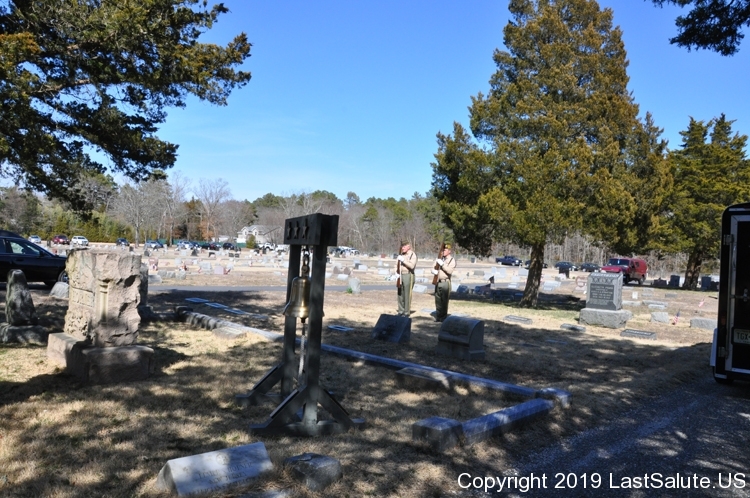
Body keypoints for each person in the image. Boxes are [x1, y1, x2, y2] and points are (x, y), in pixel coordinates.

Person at [431, 243, 456, 322]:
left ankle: (443, 317)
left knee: (444, 301)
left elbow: (450, 271)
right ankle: (438, 316)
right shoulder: (440, 258)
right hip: (438, 281)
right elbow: (433, 266)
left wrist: (442, 264)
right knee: (438, 300)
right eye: (443, 250)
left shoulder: (451, 260)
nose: (443, 251)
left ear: (449, 251)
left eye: (445, 250)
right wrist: (433, 271)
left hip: (445, 282)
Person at [396, 241, 418, 317]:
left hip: (408, 275)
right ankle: (401, 310)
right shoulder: (401, 255)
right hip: (400, 275)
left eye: (404, 246)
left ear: (409, 247)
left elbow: (412, 266)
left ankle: (406, 312)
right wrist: (396, 273)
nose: (402, 248)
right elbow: (396, 265)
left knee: (407, 294)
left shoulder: (412, 255)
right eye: (402, 246)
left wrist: (403, 260)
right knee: (400, 294)